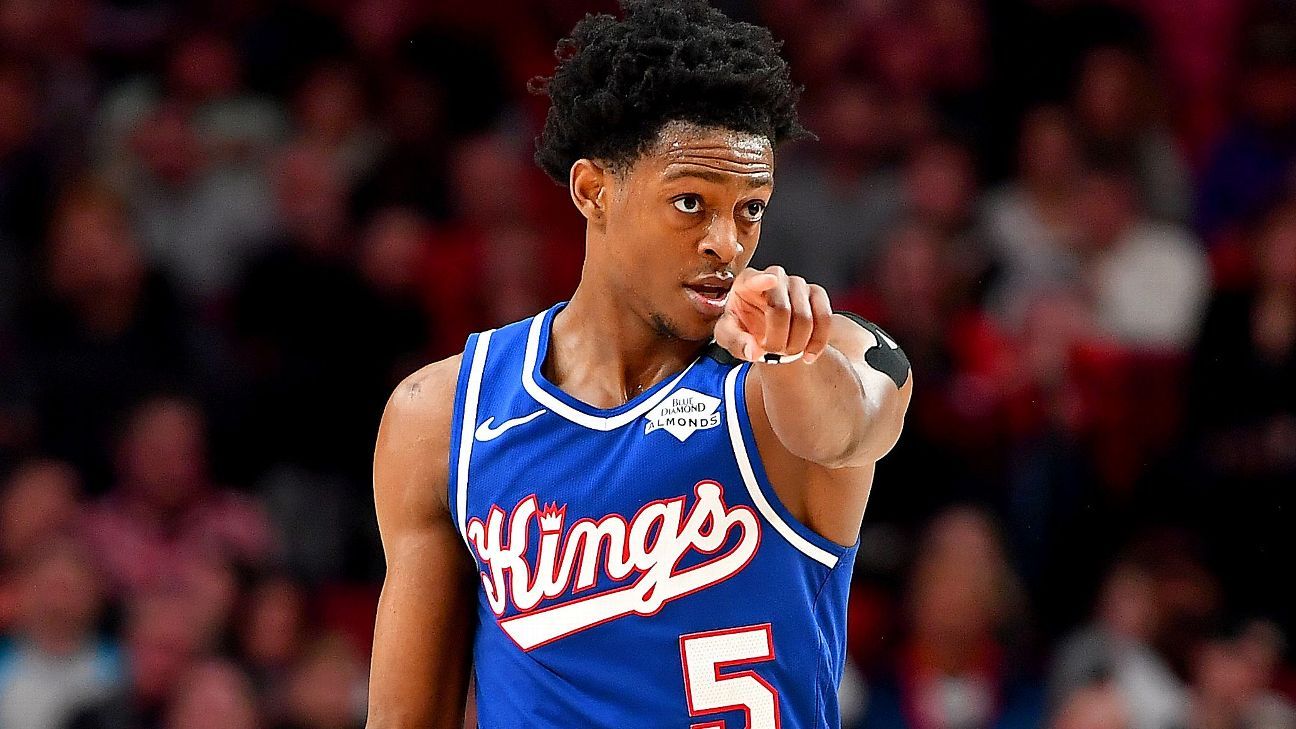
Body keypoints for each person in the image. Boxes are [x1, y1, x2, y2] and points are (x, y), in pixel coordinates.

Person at [365, 2, 913, 727]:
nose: (728, 241)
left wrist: (790, 353)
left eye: (751, 208)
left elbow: (847, 429)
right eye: (692, 202)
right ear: (593, 191)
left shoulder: (808, 360)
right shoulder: (443, 414)